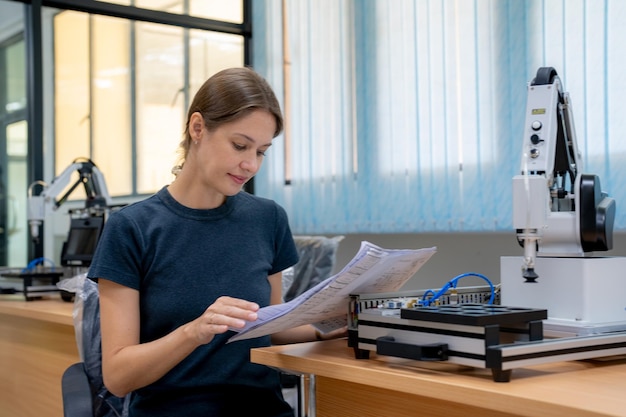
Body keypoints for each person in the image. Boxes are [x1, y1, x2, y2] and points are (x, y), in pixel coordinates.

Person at [88, 67, 340, 417]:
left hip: (263, 409)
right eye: (240, 145)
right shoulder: (131, 228)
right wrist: (193, 332)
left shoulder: (267, 218)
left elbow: (272, 326)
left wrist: (336, 324)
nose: (250, 164)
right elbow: (117, 376)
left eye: (262, 151)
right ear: (197, 128)